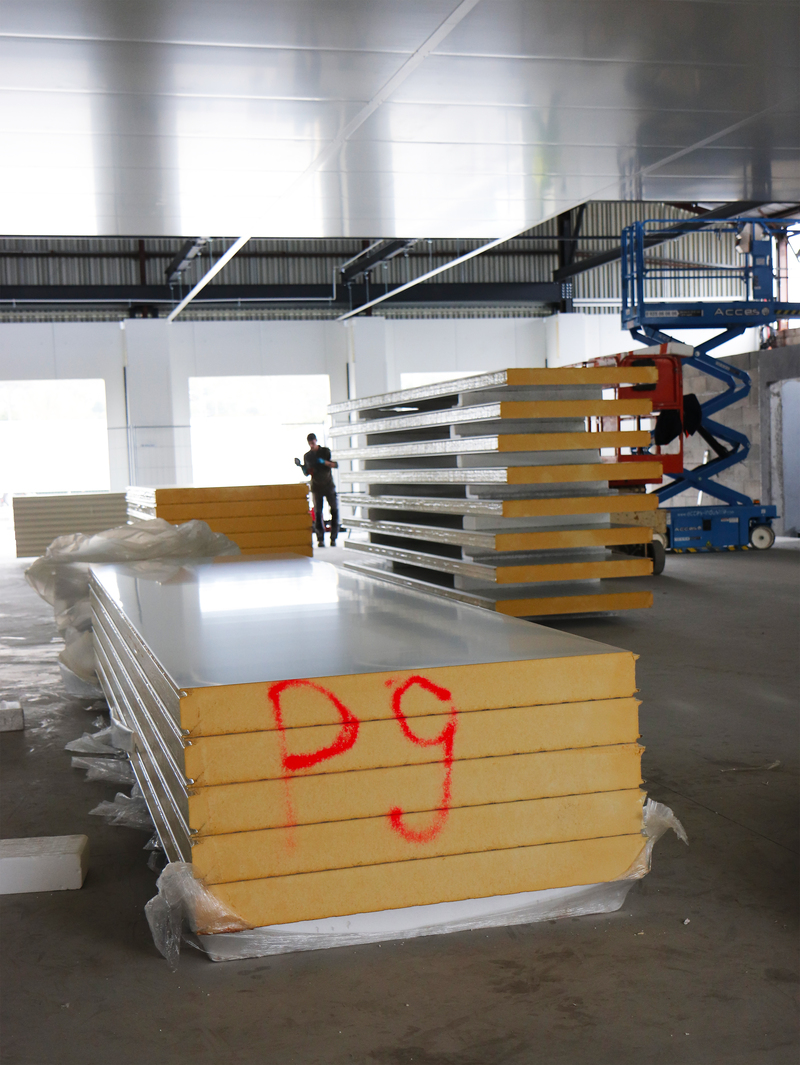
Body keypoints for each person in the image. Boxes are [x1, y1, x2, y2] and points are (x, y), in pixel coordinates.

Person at [297, 433, 339, 547]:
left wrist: (323, 462)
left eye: (313, 443)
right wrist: (302, 467)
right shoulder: (308, 456)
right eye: (310, 443)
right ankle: (320, 538)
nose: (312, 445)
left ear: (316, 441)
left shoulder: (325, 451)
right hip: (316, 487)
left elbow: (334, 465)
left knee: (334, 510)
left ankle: (333, 537)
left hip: (328, 485)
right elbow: (307, 473)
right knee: (318, 512)